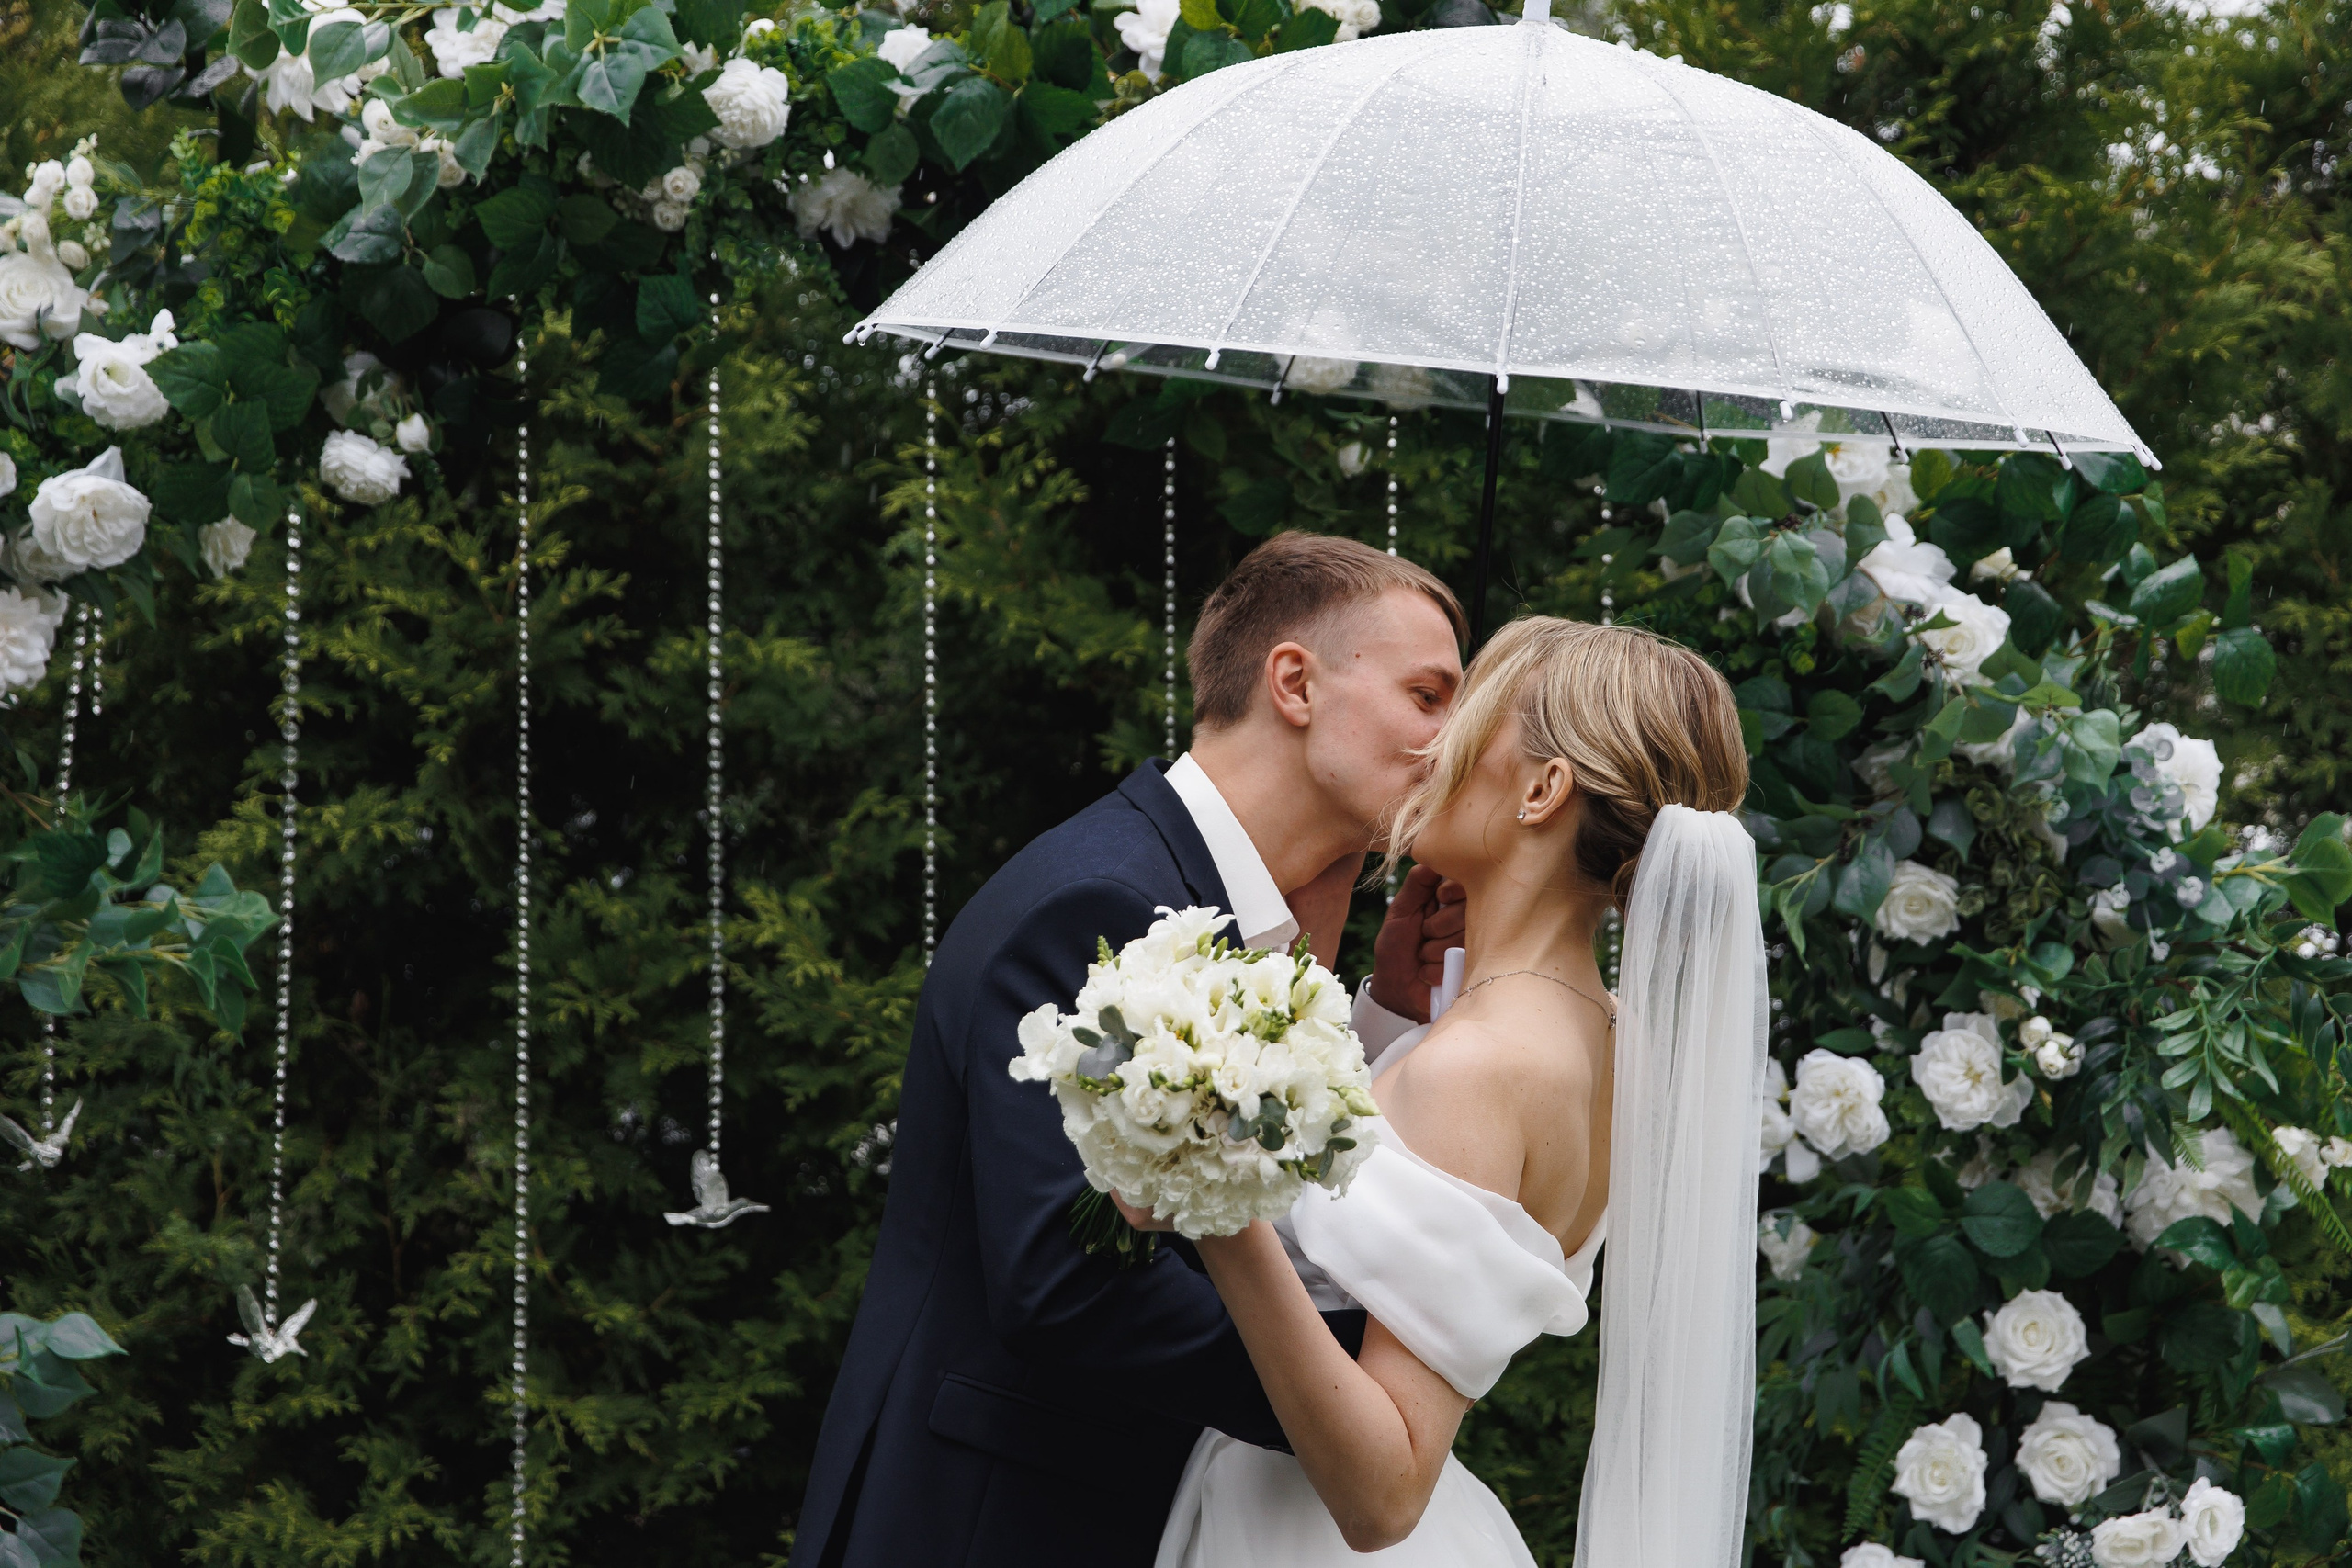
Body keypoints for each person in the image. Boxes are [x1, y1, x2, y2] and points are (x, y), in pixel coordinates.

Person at [790, 532, 1471, 1568]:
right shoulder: (1101, 903)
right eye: (1429, 696)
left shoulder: (1207, 900)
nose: (1453, 743)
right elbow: (1065, 1283)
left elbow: (1236, 1198)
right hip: (989, 1519)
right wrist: (1355, 1407)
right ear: (1293, 683)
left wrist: (1375, 1011)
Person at [1134, 616, 1769, 1568]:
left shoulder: (1481, 1066)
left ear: (1544, 790)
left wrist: (1217, 1201)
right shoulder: (1607, 1037)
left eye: (1468, 711)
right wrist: (1390, 1009)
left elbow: (1383, 1492)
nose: (1431, 744)